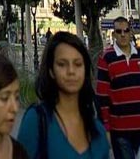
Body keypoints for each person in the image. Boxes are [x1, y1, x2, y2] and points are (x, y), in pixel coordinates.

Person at [18, 31, 110, 159]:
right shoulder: (36, 121)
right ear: (51, 70)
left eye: (78, 64)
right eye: (62, 64)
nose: (71, 71)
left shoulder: (97, 129)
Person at [97, 17, 140, 159]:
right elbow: (102, 97)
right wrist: (106, 128)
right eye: (119, 31)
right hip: (120, 130)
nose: (123, 34)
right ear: (114, 34)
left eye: (126, 30)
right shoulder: (106, 58)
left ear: (131, 32)